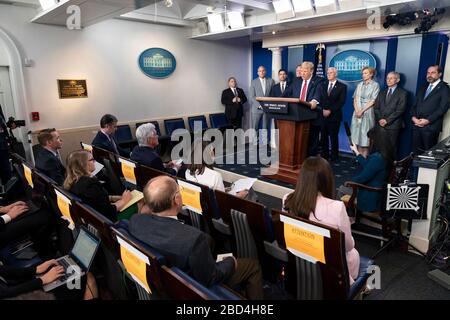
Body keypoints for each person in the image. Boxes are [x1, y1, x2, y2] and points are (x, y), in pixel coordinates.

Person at [129, 176, 264, 299]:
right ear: (176, 199)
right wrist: (231, 261)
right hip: (192, 287)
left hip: (166, 282)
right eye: (179, 191)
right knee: (253, 266)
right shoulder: (193, 239)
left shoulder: (135, 221)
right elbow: (210, 277)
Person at [283, 157, 360, 285]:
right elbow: (348, 246)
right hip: (328, 268)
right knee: (353, 253)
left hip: (298, 260)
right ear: (327, 180)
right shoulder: (337, 207)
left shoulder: (288, 199)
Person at [63, 150, 132, 222]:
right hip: (108, 221)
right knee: (140, 202)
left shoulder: (71, 183)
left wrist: (111, 198)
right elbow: (109, 211)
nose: (95, 162)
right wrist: (124, 200)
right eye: (92, 160)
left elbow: (93, 200)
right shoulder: (90, 184)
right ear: (83, 164)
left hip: (93, 219)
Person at [0, 259, 98, 300]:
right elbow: (7, 294)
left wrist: (36, 270)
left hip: (12, 286)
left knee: (55, 263)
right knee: (88, 278)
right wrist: (43, 280)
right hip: (13, 294)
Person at [349, 127, 395, 213]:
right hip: (380, 190)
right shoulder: (386, 154)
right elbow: (369, 166)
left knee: (342, 189)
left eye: (370, 140)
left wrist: (349, 182)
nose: (369, 142)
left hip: (371, 194)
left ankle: (349, 219)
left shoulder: (377, 158)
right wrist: (357, 152)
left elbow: (362, 178)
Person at [284, 62, 324, 156]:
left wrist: (314, 101)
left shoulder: (319, 81)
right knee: (298, 141)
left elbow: (317, 94)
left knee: (312, 142)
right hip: (297, 116)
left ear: (311, 71)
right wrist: (277, 100)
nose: (302, 73)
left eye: (305, 71)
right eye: (301, 71)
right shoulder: (296, 80)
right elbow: (286, 93)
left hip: (312, 116)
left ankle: (311, 164)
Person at [411, 65, 450, 154]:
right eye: (428, 73)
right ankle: (414, 169)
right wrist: (414, 118)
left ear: (439, 74)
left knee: (428, 156)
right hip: (416, 126)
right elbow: (414, 105)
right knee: (416, 154)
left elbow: (443, 108)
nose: (429, 75)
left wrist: (428, 120)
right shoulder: (423, 87)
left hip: (430, 128)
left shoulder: (445, 88)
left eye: (433, 73)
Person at [350, 67, 380, 158]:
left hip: (367, 112)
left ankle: (365, 157)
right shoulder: (359, 85)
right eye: (363, 73)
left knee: (365, 137)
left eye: (366, 73)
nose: (363, 75)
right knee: (356, 135)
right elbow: (355, 99)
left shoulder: (375, 85)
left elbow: (373, 101)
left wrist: (362, 111)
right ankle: (358, 157)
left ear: (371, 74)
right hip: (357, 112)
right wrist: (357, 111)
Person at [373, 71, 407, 151]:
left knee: (391, 148)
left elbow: (400, 110)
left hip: (393, 126)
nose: (388, 80)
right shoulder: (381, 92)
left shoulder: (403, 93)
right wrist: (381, 119)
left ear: (397, 80)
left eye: (391, 78)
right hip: (380, 125)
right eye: (387, 78)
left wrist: (387, 120)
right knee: (379, 147)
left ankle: (390, 164)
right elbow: (376, 108)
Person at [321, 67, 347, 161]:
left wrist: (330, 110)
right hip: (323, 115)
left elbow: (341, 102)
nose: (329, 74)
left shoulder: (342, 86)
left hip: (334, 116)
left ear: (336, 74)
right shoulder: (323, 85)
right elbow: (320, 99)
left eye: (331, 73)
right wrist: (323, 110)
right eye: (328, 73)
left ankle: (334, 156)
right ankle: (324, 155)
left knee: (333, 136)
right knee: (323, 136)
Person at [249, 66, 275, 144]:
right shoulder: (253, 82)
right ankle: (255, 142)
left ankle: (263, 143)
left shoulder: (271, 81)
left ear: (265, 71)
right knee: (255, 127)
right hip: (257, 108)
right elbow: (252, 96)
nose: (262, 72)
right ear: (257, 73)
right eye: (260, 71)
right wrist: (259, 105)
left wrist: (269, 105)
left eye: (263, 70)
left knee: (265, 127)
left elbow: (272, 95)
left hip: (267, 108)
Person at [0, 105, 12, 184]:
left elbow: (2, 125)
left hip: (3, 145)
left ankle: (9, 195)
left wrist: (8, 125)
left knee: (6, 172)